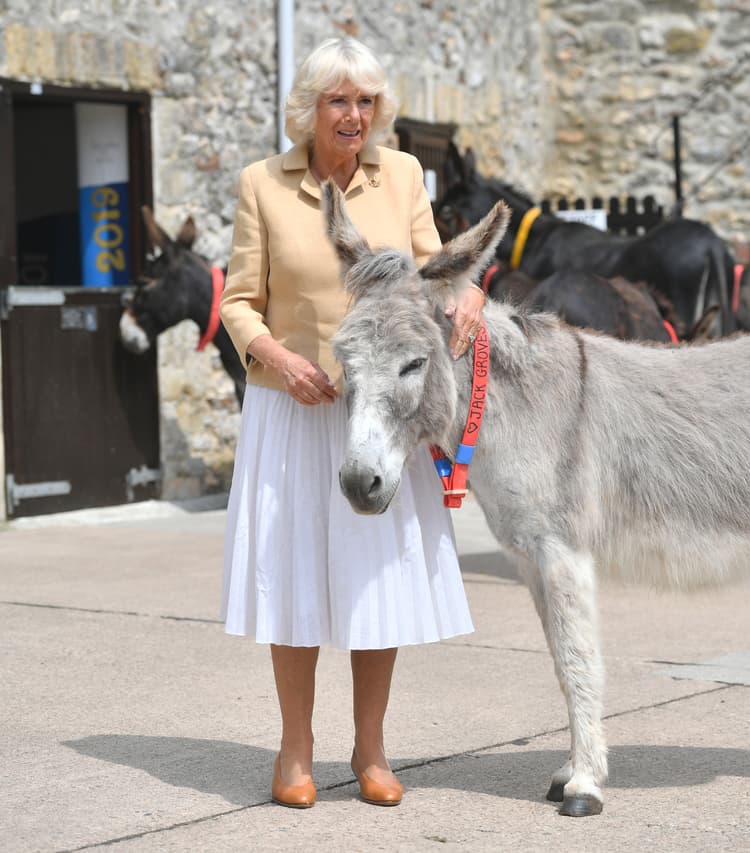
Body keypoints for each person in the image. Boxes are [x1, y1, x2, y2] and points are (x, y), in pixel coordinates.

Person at [218, 37, 483, 810]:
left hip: (383, 413)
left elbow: (440, 268)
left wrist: (466, 293)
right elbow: (237, 300)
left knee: (377, 582)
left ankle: (371, 749)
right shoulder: (262, 184)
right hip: (294, 407)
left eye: (367, 102)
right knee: (294, 577)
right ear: (311, 107)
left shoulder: (402, 175)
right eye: (340, 101)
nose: (355, 116)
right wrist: (278, 358)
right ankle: (294, 750)